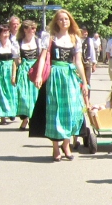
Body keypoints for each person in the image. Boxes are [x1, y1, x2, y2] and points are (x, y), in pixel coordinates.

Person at [31, 9, 90, 162]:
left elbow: (78, 62)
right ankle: (56, 147)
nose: (64, 21)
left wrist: (84, 82)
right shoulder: (50, 37)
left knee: (71, 110)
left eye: (66, 19)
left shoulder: (75, 39)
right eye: (61, 19)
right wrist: (39, 75)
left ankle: (66, 144)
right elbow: (43, 58)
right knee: (55, 110)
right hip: (55, 75)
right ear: (56, 22)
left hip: (69, 77)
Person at [14, 21, 41, 130]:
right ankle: (25, 118)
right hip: (24, 70)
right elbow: (15, 61)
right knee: (23, 96)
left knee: (35, 96)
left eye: (34, 28)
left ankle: (33, 120)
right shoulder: (18, 42)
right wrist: (14, 74)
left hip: (36, 69)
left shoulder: (38, 42)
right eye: (31, 28)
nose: (33, 30)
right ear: (25, 30)